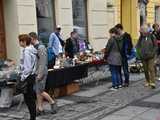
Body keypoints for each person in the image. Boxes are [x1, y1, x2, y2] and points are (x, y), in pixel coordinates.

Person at [29, 32, 57, 115]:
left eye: (29, 39)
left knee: (40, 91)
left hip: (41, 72)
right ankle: (40, 108)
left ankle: (52, 102)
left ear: (33, 38)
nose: (28, 40)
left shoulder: (40, 47)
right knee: (38, 91)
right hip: (36, 72)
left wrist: (40, 74)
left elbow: (43, 62)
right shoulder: (34, 47)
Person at [18, 34, 37, 120]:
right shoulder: (32, 49)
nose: (19, 43)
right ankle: (33, 116)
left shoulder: (27, 51)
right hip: (31, 76)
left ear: (24, 42)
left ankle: (32, 117)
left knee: (28, 99)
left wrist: (23, 77)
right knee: (30, 98)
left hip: (28, 77)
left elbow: (27, 67)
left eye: (20, 41)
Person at [136, 25, 157, 89]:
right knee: (145, 69)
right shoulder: (141, 37)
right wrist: (139, 54)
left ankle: (153, 82)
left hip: (151, 56)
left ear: (146, 31)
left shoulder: (152, 36)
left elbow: (155, 46)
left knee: (151, 68)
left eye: (142, 32)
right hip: (143, 56)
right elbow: (138, 46)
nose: (141, 33)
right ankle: (147, 81)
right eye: (141, 32)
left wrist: (153, 53)